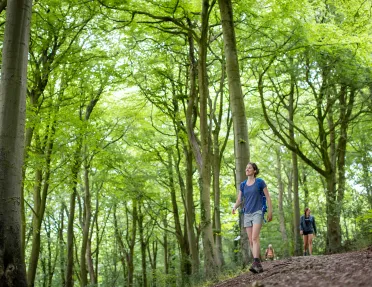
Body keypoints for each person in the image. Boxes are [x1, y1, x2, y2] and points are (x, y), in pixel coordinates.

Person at [232, 162, 273, 273]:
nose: (247, 169)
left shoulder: (260, 182)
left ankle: (255, 261)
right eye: (246, 168)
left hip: (258, 212)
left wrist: (270, 211)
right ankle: (258, 264)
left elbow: (268, 197)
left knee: (255, 238)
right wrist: (234, 207)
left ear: (254, 171)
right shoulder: (243, 185)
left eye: (249, 168)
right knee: (250, 240)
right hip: (247, 214)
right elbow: (239, 199)